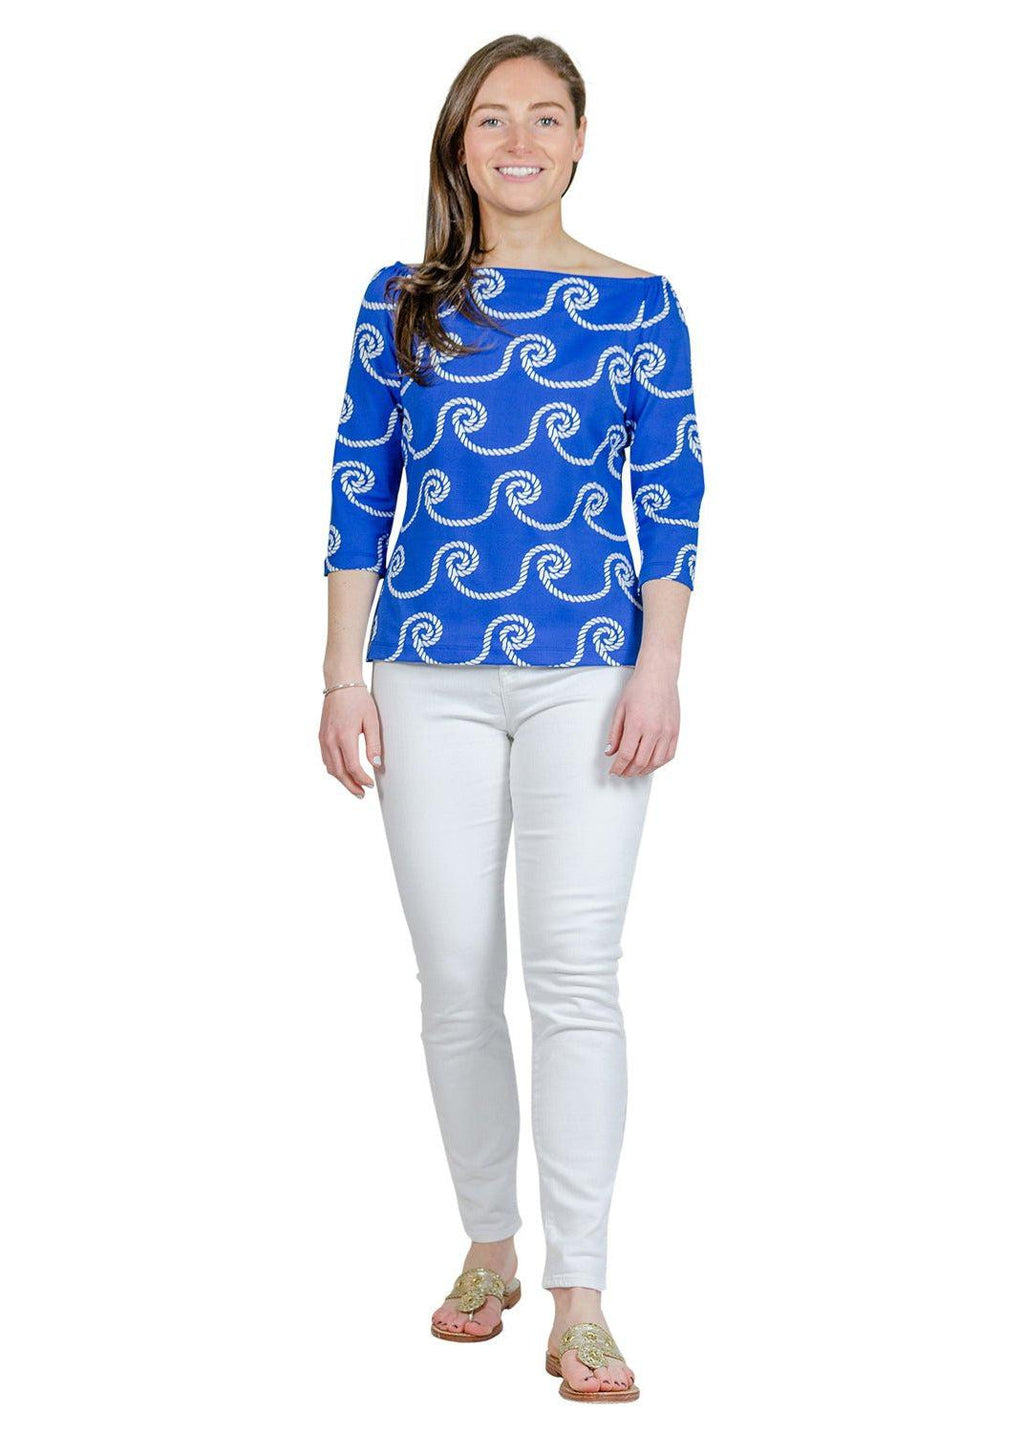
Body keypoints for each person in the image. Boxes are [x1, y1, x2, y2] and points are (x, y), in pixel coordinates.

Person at [318, 33, 705, 1404]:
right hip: (423, 671)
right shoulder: (401, 301)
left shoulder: (641, 304)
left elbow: (672, 495)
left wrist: (660, 668)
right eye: (494, 118)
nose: (521, 141)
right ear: (460, 141)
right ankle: (490, 1244)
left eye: (547, 117)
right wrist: (342, 675)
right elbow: (359, 485)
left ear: (582, 139)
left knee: (577, 974)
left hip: (588, 671)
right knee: (456, 975)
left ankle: (581, 1296)